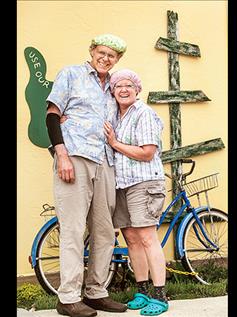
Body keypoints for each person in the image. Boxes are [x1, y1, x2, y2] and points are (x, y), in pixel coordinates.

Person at [45, 34, 128, 317]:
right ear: (92, 51)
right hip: (76, 157)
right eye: (102, 52)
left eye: (112, 56)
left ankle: (95, 292)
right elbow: (53, 114)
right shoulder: (71, 74)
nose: (106, 58)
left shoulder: (114, 87)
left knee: (105, 231)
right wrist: (62, 154)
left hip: (105, 161)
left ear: (118, 60)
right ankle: (68, 297)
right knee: (72, 229)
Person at [103, 69, 169, 316]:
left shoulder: (144, 113)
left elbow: (147, 152)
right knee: (131, 239)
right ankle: (141, 290)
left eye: (129, 85)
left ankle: (160, 294)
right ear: (113, 91)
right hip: (122, 184)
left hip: (143, 183)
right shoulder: (117, 116)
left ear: (137, 90)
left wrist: (115, 144)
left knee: (146, 237)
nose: (123, 89)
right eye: (118, 85)